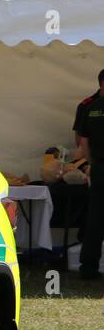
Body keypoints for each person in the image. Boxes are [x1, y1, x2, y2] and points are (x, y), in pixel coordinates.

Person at [71, 73, 104, 279]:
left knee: (95, 220)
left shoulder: (90, 108)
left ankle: (88, 268)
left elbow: (82, 144)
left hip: (99, 168)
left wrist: (92, 163)